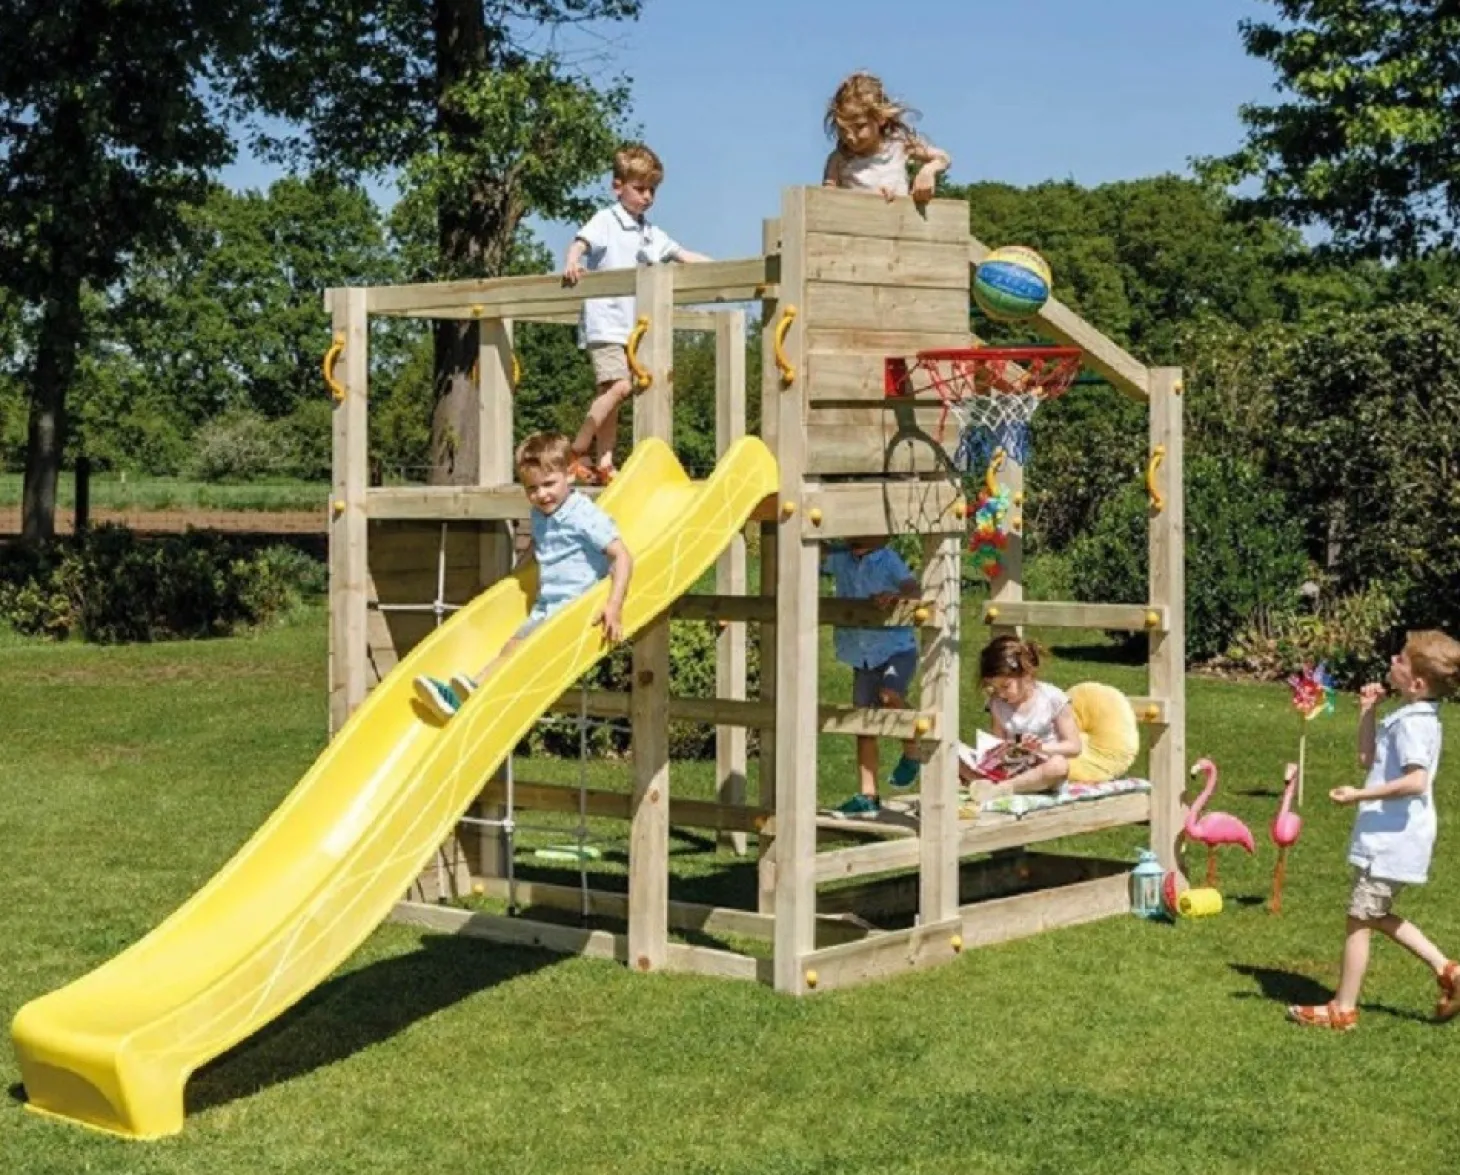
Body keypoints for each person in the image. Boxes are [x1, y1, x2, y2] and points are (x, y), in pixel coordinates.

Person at [1288, 630, 1460, 1031]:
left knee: (1359, 919)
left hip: (1393, 840)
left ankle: (1343, 1008)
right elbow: (1368, 757)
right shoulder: (1409, 716)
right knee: (1371, 913)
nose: (1392, 661)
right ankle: (1448, 970)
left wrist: (1358, 795)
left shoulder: (1414, 725)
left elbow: (1416, 781)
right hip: (1385, 838)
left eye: (1400, 660)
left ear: (1417, 683)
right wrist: (1367, 710)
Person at [413, 432, 633, 721]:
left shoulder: (584, 515)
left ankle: (471, 693)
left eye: (549, 484)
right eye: (532, 488)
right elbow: (538, 545)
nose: (541, 495)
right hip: (547, 606)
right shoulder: (540, 513)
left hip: (575, 609)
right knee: (511, 646)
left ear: (570, 474)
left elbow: (622, 556)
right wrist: (514, 577)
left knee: (518, 655)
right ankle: (467, 695)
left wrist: (614, 605)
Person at [562, 142, 710, 485]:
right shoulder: (607, 220)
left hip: (631, 327)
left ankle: (605, 462)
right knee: (620, 387)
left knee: (612, 396)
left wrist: (724, 269)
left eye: (652, 190)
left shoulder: (650, 233)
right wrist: (573, 261)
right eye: (640, 189)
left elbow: (684, 255)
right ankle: (577, 449)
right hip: (605, 321)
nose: (647, 197)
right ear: (618, 187)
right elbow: (581, 242)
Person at [823, 537, 924, 818]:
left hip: (896, 648)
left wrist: (896, 597)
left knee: (890, 695)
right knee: (863, 720)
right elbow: (815, 556)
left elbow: (912, 588)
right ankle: (868, 794)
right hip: (863, 654)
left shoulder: (887, 559)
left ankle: (913, 750)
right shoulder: (841, 557)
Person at [971, 635, 1083, 796]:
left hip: (1042, 771)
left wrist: (1040, 748)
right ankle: (992, 784)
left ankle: (1003, 788)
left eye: (1005, 686)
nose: (1001, 694)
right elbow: (998, 742)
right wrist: (1002, 751)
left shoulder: (1052, 698)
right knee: (953, 751)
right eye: (994, 688)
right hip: (1011, 767)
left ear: (1026, 674)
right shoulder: (997, 703)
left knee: (1059, 765)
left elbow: (1074, 747)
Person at [822, 71, 950, 203]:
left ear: (880, 118)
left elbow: (943, 158)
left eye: (859, 126)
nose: (850, 136)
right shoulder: (838, 159)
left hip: (898, 215)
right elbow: (826, 200)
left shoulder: (899, 144)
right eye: (843, 129)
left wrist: (927, 172)